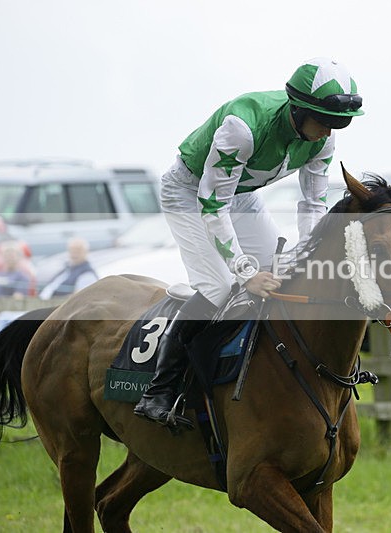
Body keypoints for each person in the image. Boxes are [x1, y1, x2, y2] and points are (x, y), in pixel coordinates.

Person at [134, 57, 364, 427]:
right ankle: (159, 390)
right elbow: (212, 203)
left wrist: (308, 256)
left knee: (284, 272)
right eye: (324, 122)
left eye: (339, 124)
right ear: (299, 109)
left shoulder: (323, 139)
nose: (328, 132)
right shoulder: (243, 127)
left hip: (240, 196)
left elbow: (312, 205)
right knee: (219, 285)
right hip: (191, 193)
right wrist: (244, 272)